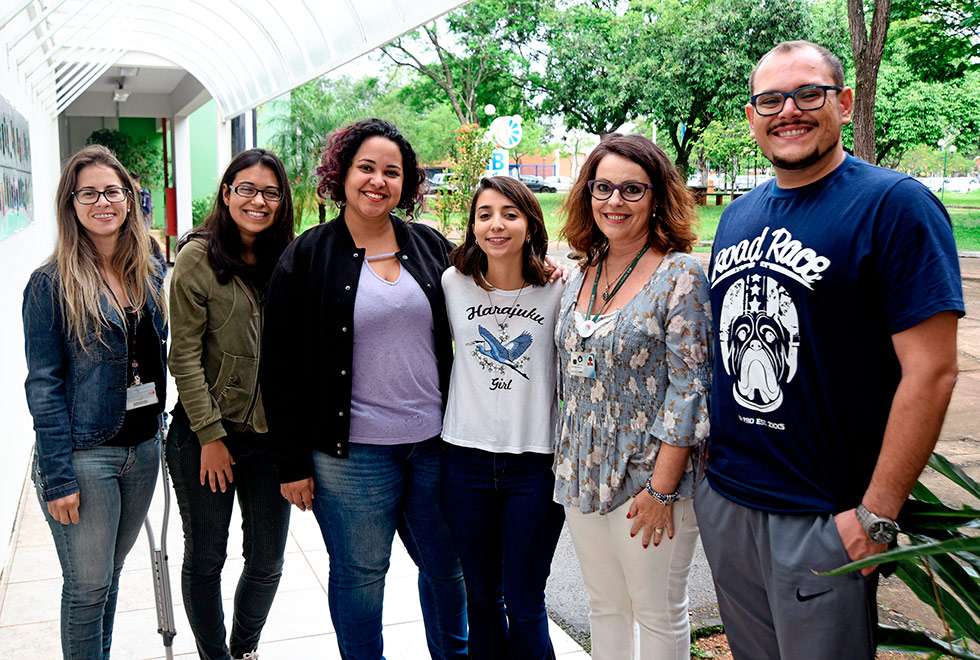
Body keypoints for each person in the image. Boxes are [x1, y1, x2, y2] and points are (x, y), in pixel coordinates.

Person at [695, 40, 964, 660]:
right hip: (731, 499)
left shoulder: (894, 206)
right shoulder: (738, 216)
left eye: (807, 93)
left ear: (843, 103)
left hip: (823, 515)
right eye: (770, 99)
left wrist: (875, 515)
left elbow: (933, 371)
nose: (788, 111)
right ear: (751, 116)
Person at [261, 118, 468, 660]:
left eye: (392, 172)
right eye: (367, 168)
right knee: (360, 576)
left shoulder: (428, 245)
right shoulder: (307, 255)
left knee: (448, 568)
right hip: (349, 457)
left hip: (435, 443)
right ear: (343, 174)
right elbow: (277, 366)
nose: (378, 181)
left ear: (407, 182)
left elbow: (492, 285)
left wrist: (547, 271)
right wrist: (291, 463)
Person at [554, 133, 712, 660]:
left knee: (659, 613)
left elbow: (691, 388)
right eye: (603, 188)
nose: (614, 202)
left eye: (631, 190)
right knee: (605, 608)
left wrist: (662, 490)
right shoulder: (580, 272)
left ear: (657, 196)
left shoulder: (679, 273)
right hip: (581, 471)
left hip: (648, 478)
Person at [23, 144, 168, 660]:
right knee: (86, 588)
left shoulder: (149, 268)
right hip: (87, 455)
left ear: (129, 200)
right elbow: (44, 386)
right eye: (89, 193)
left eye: (113, 191)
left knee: (109, 576)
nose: (102, 201)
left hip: (143, 448)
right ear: (71, 204)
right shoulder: (49, 283)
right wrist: (58, 476)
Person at [166, 148, 295, 660]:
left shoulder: (287, 257)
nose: (257, 201)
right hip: (204, 436)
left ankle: (243, 650)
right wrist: (211, 437)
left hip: (268, 440)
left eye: (269, 192)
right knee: (206, 558)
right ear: (226, 192)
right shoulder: (197, 256)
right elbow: (184, 357)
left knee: (267, 561)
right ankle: (214, 656)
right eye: (246, 188)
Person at [440, 176, 566, 660]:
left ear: (531, 223)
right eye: (485, 214)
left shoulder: (559, 287)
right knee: (482, 598)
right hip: (464, 460)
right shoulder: (453, 282)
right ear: (472, 225)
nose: (497, 225)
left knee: (526, 600)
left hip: (535, 464)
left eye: (510, 214)